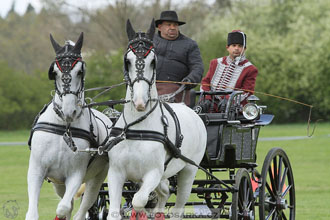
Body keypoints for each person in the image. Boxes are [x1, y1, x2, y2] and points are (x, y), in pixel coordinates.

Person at [200, 30, 258, 112]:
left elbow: (246, 91)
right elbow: (206, 82)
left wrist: (229, 100)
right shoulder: (215, 63)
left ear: (244, 49)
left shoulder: (250, 69)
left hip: (234, 107)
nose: (236, 48)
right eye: (234, 45)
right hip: (211, 105)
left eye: (240, 46)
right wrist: (207, 98)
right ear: (227, 48)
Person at [153, 10, 204, 105]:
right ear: (160, 27)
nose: (172, 28)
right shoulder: (149, 42)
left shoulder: (190, 44)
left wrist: (190, 80)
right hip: (148, 87)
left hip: (176, 89)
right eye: (169, 25)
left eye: (175, 25)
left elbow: (197, 67)